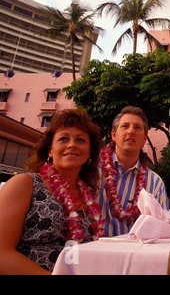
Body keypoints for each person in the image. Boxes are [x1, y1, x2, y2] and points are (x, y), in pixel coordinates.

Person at [0, 109, 104, 274]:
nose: (72, 144)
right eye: (64, 138)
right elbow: (2, 255)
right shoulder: (25, 184)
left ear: (89, 153)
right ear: (50, 150)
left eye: (81, 140)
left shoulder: (89, 200)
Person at [97, 106, 168, 236]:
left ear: (145, 138)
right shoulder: (93, 170)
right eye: (125, 126)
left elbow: (161, 229)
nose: (131, 131)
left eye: (137, 127)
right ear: (114, 135)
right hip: (91, 252)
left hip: (137, 254)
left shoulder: (155, 183)